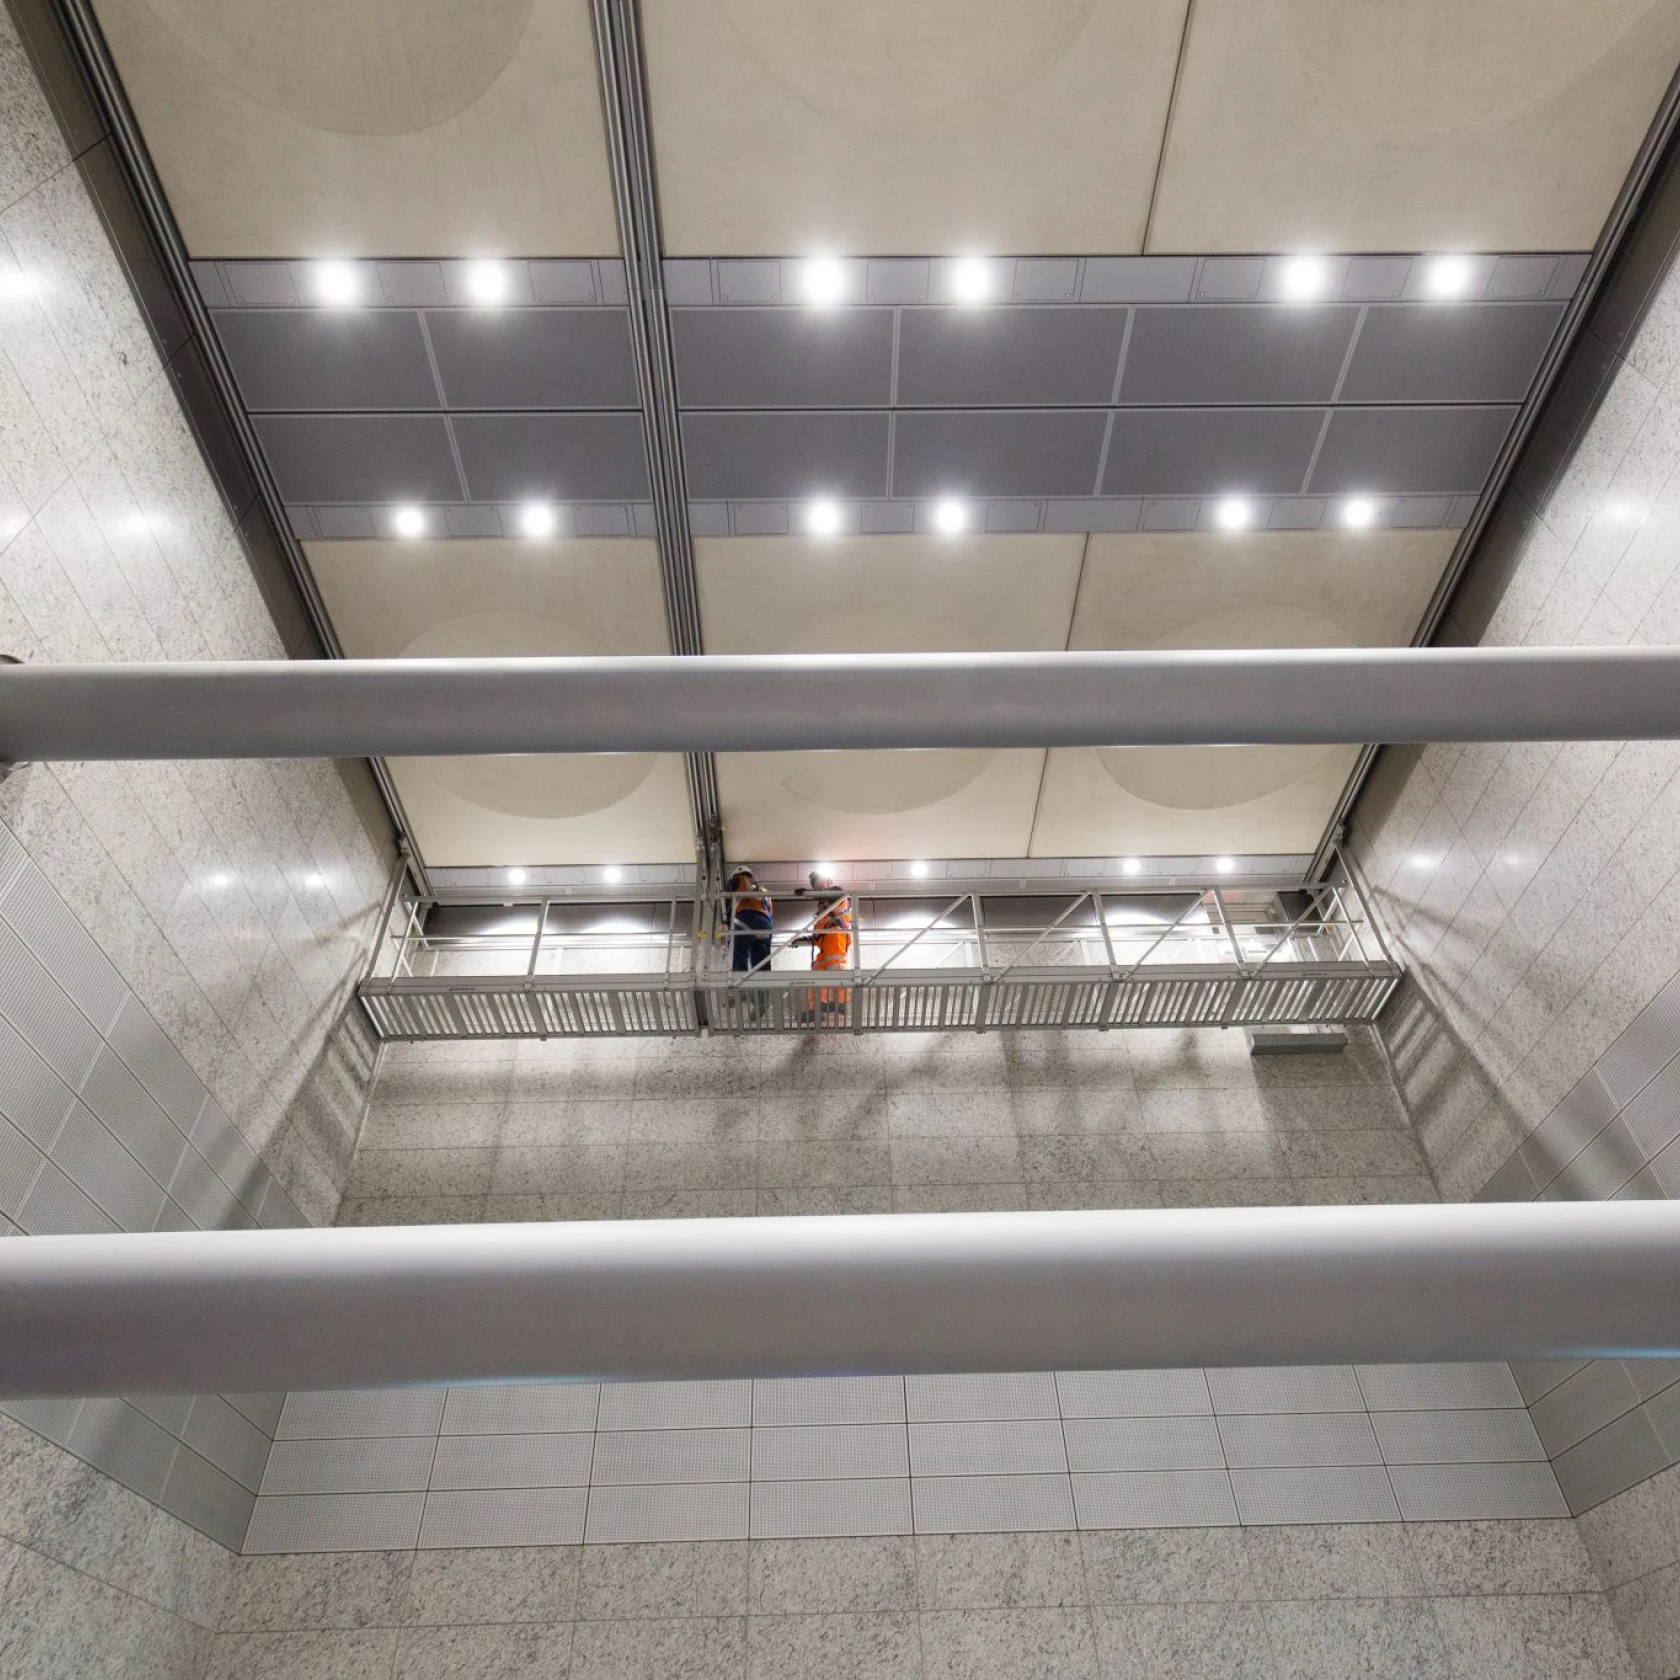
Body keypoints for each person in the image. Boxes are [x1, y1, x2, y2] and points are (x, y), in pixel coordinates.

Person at [792, 870, 853, 1020]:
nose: (818, 886)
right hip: (826, 941)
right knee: (817, 973)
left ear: (829, 881)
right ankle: (816, 1009)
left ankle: (841, 1002)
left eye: (820, 882)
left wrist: (807, 893)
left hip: (835, 934)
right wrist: (803, 940)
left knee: (836, 966)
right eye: (815, 884)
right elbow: (819, 931)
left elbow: (831, 895)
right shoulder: (822, 906)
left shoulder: (837, 891)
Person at [727, 867, 774, 975]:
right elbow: (769, 913)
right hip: (764, 925)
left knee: (739, 955)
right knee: (762, 961)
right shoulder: (765, 892)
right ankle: (762, 989)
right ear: (752, 876)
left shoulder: (740, 879)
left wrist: (726, 922)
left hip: (744, 919)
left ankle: (739, 985)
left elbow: (730, 893)